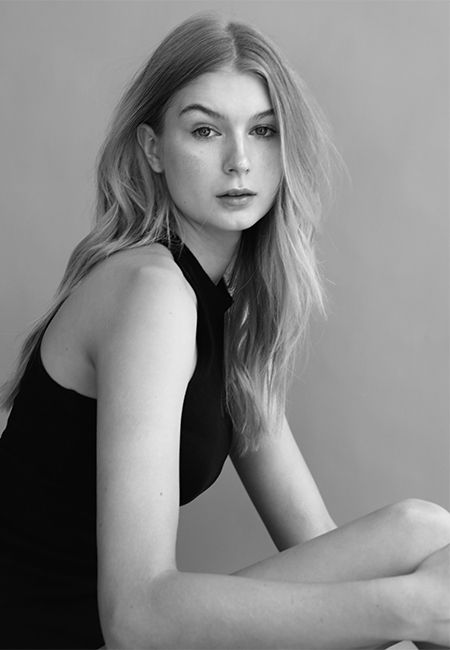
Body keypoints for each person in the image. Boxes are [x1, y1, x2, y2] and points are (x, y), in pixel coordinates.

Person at [0, 13, 449, 650]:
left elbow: (318, 544)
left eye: (263, 131)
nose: (240, 161)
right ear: (153, 149)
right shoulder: (152, 292)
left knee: (420, 533)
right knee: (417, 552)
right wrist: (409, 611)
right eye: (205, 130)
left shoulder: (229, 315)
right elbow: (135, 619)